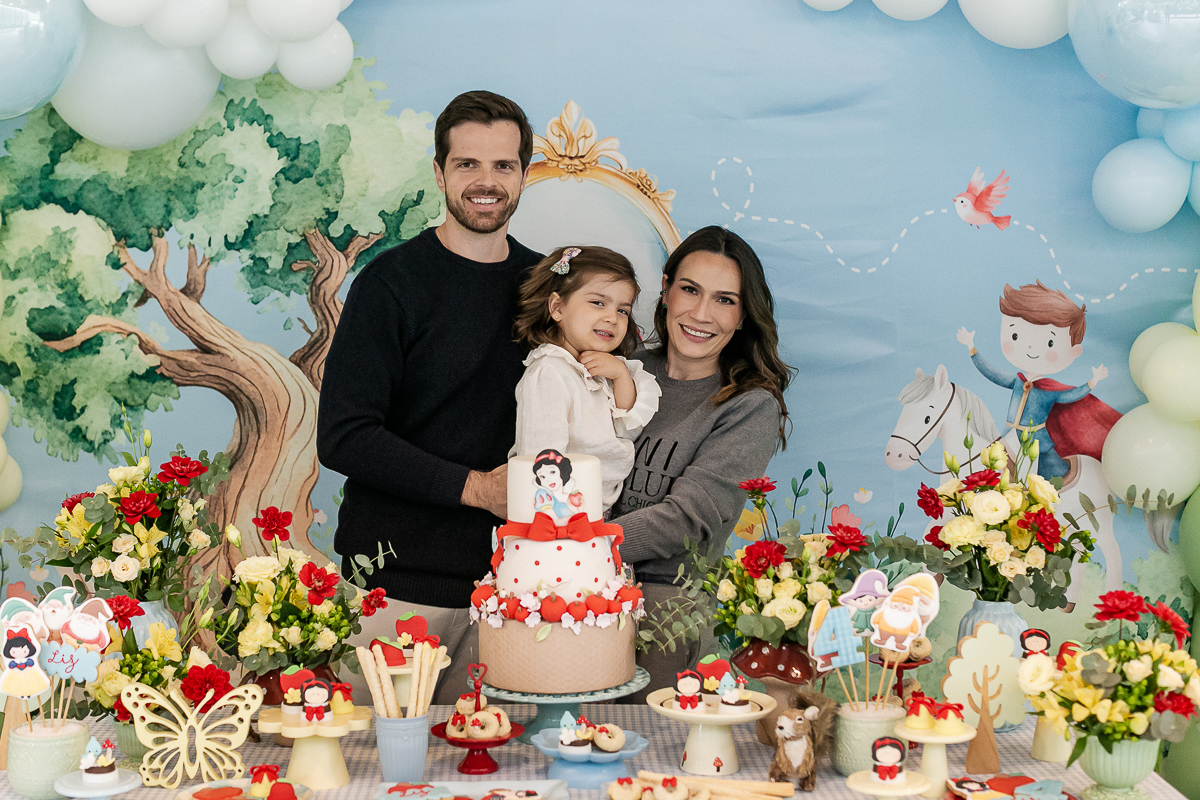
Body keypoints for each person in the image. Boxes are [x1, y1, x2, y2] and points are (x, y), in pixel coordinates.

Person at [317, 90, 542, 704]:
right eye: (468, 165)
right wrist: (479, 489)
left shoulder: (548, 289)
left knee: (505, 775)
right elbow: (345, 434)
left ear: (526, 173)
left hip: (518, 594)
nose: (486, 182)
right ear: (440, 172)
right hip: (396, 589)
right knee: (380, 774)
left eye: (503, 165)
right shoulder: (389, 284)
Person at [611, 226, 792, 701]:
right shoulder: (620, 370)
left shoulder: (748, 405)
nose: (701, 314)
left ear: (742, 316)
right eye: (690, 290)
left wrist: (571, 547)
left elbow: (691, 518)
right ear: (667, 289)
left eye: (724, 300)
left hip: (664, 614)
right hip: (566, 600)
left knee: (647, 764)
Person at [510, 245, 660, 510]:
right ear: (557, 307)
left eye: (622, 310)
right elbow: (541, 456)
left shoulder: (598, 370)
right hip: (560, 512)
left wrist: (621, 376)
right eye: (598, 303)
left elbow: (627, 428)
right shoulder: (550, 372)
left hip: (593, 511)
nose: (612, 318)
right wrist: (556, 512)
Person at [957, 281, 1119, 480]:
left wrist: (1092, 382)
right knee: (989, 467)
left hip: (1037, 443)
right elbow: (991, 373)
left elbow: (1070, 396)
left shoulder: (1049, 390)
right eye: (1015, 335)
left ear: (1074, 351)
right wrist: (972, 348)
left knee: (1053, 476)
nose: (1030, 348)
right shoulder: (1017, 381)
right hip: (1009, 436)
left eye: (1050, 342)